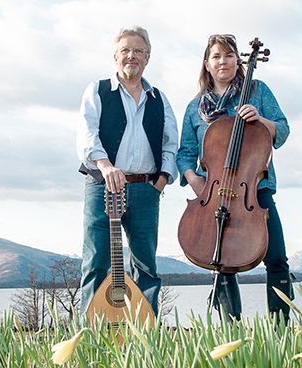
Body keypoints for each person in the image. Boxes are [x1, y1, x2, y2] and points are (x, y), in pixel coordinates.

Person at [176, 34, 293, 323]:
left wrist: (261, 121)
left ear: (238, 61)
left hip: (255, 192)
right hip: (214, 194)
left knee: (277, 259)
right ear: (207, 63)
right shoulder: (195, 108)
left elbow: (283, 130)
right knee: (222, 264)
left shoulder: (257, 91)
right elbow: (184, 154)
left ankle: (282, 331)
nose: (222, 62)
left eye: (229, 56)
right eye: (216, 56)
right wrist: (195, 181)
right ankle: (233, 331)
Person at [77, 26, 178, 318]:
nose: (131, 56)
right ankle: (91, 336)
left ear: (147, 58)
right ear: (115, 56)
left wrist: (161, 181)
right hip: (102, 187)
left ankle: (146, 335)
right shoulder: (97, 90)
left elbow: (171, 142)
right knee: (96, 262)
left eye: (138, 51)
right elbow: (87, 135)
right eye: (125, 50)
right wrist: (105, 166)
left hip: (146, 189)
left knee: (146, 266)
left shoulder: (159, 97)